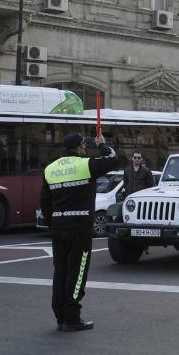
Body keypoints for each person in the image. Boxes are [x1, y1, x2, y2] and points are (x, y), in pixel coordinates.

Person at [39, 132, 124, 332]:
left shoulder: (50, 169)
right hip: (80, 227)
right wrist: (102, 146)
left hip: (59, 227)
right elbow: (114, 160)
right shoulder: (85, 164)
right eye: (84, 147)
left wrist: (55, 221)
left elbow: (44, 202)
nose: (85, 149)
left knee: (60, 272)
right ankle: (72, 318)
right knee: (77, 272)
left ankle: (60, 317)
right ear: (78, 148)